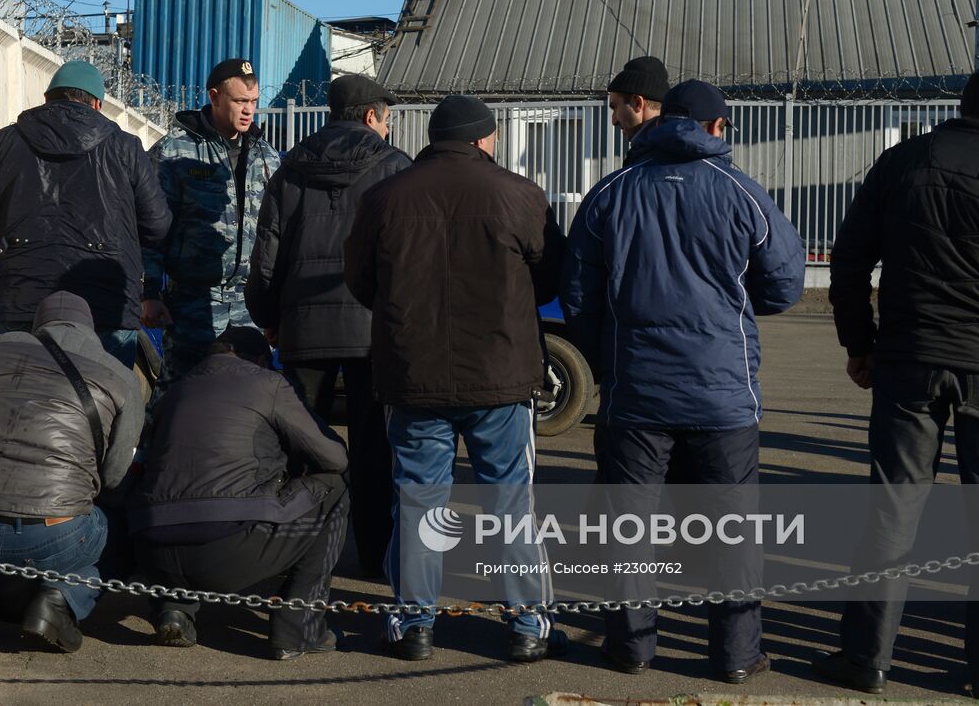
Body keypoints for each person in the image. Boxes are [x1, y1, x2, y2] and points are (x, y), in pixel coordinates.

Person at [816, 60, 979, 702]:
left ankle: (866, 660)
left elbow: (850, 257)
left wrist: (860, 343)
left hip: (909, 362)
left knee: (891, 513)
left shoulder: (902, 163)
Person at [562, 79, 803, 683]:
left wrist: (611, 357)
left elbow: (578, 295)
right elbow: (785, 284)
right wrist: (731, 307)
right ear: (716, 128)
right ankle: (736, 655)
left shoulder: (611, 192)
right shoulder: (738, 190)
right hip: (722, 393)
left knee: (629, 527)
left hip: (634, 393)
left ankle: (631, 649)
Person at [344, 94, 567, 663]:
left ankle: (414, 624)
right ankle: (526, 625)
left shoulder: (385, 197)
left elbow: (362, 281)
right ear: (484, 138)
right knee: (510, 501)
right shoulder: (521, 196)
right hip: (500, 377)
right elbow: (550, 279)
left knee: (418, 500)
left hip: (413, 376)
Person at [245, 73, 410, 575]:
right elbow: (404, 256)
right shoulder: (395, 168)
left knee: (300, 447)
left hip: (302, 330)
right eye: (387, 118)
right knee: (372, 448)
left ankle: (294, 557)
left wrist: (269, 318)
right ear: (368, 116)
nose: (388, 127)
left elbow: (266, 255)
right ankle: (376, 554)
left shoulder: (290, 168)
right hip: (371, 330)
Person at [0, 291, 143, 653]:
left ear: (37, 325)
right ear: (91, 331)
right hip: (60, 534)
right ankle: (61, 599)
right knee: (119, 524)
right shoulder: (121, 377)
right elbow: (115, 477)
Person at [128, 327, 349, 659]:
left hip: (154, 553)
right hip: (228, 549)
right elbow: (334, 458)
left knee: (181, 494)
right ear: (261, 359)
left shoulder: (175, 391)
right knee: (334, 487)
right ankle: (298, 628)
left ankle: (174, 607)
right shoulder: (268, 383)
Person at [0, 60, 172, 370]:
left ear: (47, 98)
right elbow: (157, 225)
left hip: (23, 296)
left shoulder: (3, 142)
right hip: (105, 301)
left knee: (21, 399)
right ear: (98, 104)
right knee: (106, 401)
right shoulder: (126, 148)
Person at [143, 58, 281, 382]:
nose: (249, 110)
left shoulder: (266, 156)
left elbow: (278, 233)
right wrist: (148, 292)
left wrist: (277, 303)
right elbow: (150, 228)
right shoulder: (176, 153)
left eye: (253, 102)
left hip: (250, 308)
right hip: (193, 304)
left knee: (249, 403)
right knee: (178, 397)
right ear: (214, 96)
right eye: (239, 101)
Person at [606, 56, 669, 165]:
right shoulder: (693, 158)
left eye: (615, 107)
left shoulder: (646, 165)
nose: (613, 121)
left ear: (637, 103)